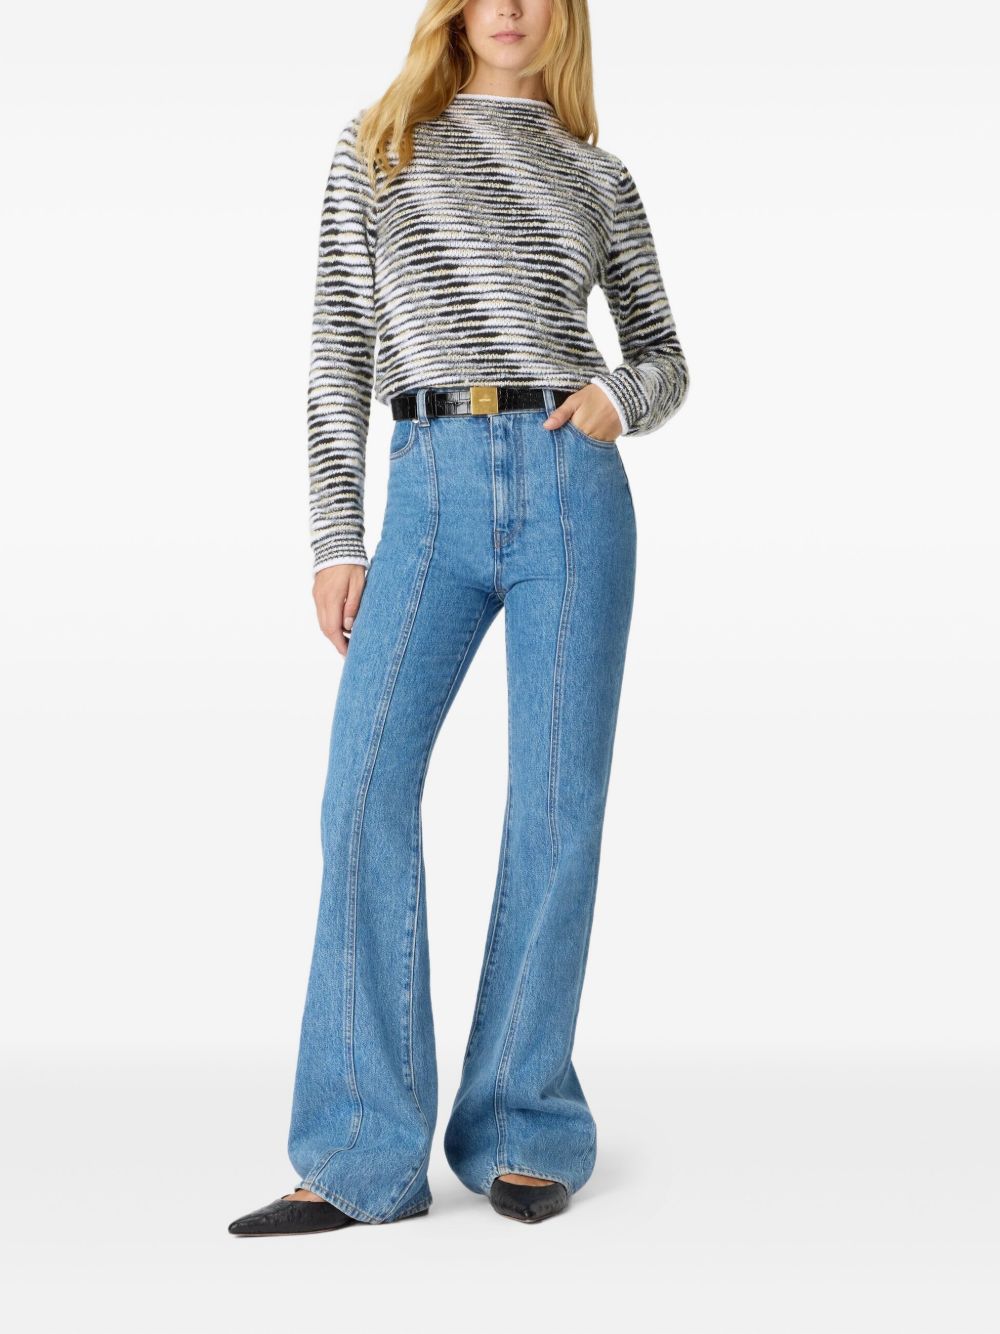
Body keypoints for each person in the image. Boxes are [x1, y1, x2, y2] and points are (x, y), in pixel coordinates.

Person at [229, 0, 688, 1236]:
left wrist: (616, 396)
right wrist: (336, 534)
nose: (511, 7)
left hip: (568, 484)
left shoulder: (598, 173)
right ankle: (361, 1150)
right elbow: (338, 345)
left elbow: (663, 350)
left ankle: (522, 1127)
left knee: (556, 805)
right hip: (425, 487)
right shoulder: (378, 144)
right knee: (362, 789)